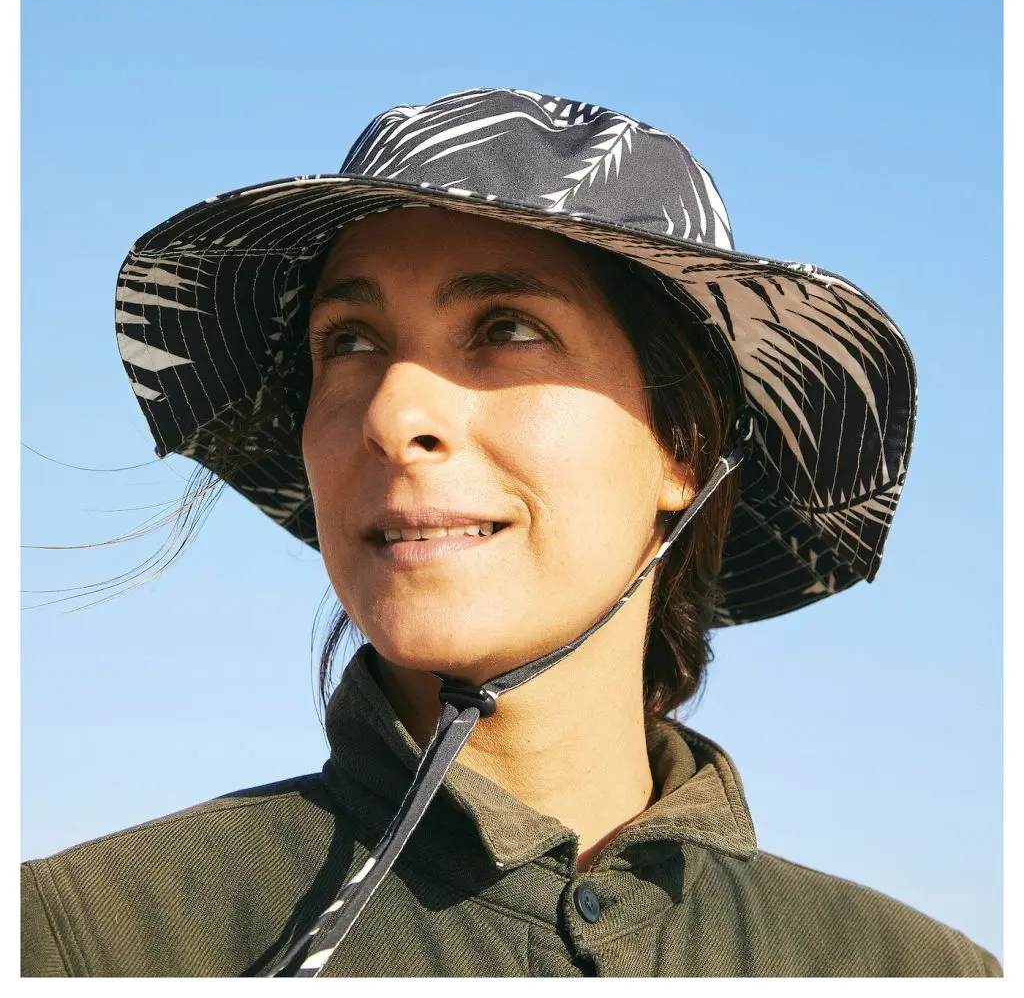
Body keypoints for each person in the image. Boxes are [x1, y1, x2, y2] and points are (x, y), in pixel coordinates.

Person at [20, 87, 1001, 977]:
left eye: (506, 329)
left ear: (683, 446)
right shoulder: (88, 940)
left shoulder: (913, 970)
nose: (392, 413)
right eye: (348, 342)